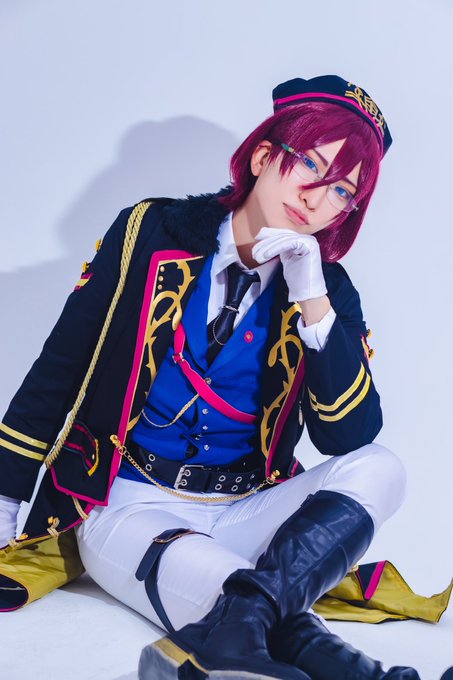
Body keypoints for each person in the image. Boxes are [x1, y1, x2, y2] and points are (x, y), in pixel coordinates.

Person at [0, 75, 444, 679]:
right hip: (129, 506)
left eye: (342, 190)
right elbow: (60, 366)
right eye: (310, 164)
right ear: (263, 156)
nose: (316, 198)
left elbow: (348, 437)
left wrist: (312, 298)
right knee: (242, 599)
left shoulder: (328, 292)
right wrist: (5, 497)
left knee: (382, 468)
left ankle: (225, 642)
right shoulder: (149, 233)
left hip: (246, 510)